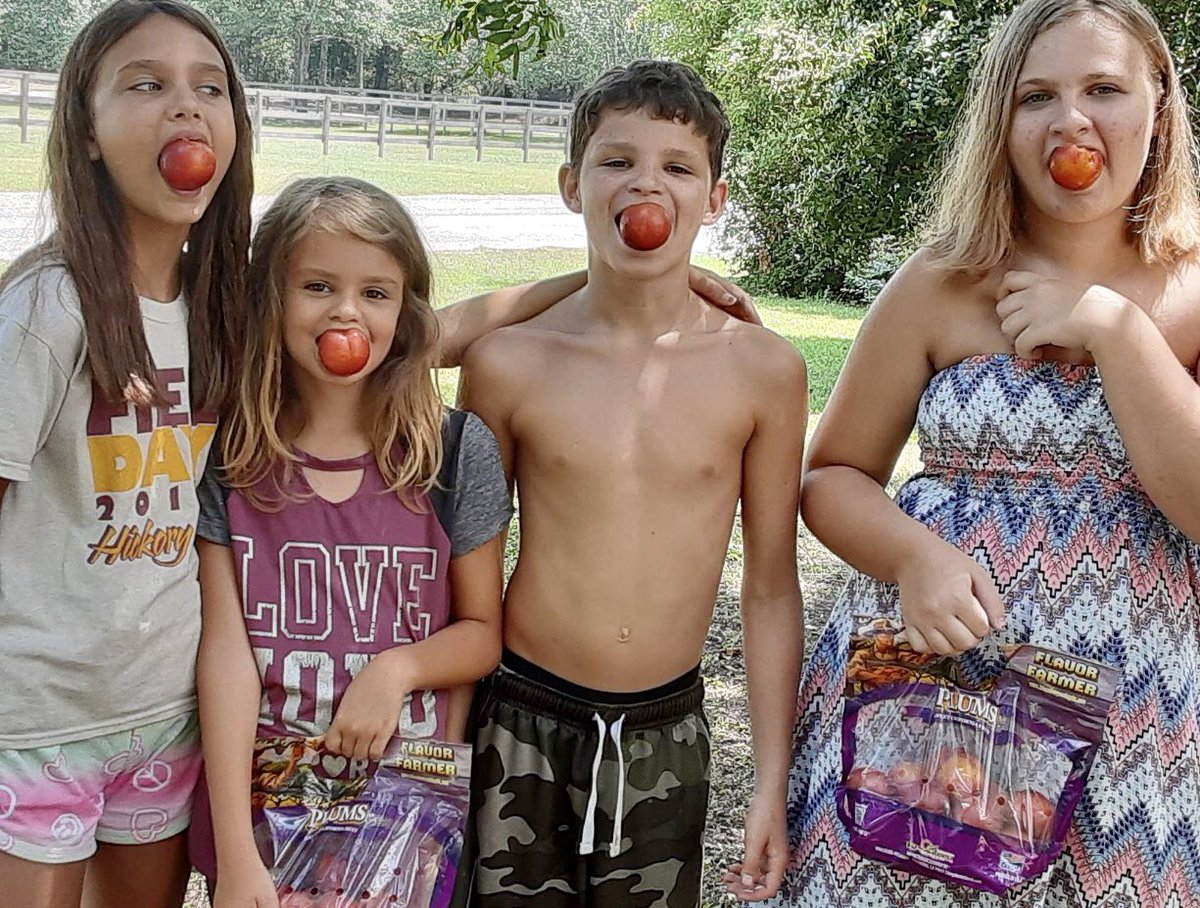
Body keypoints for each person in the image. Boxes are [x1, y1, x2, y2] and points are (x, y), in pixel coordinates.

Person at [771, 0, 1200, 905]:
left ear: (1159, 105)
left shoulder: (1195, 288)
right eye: (1036, 95)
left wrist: (1117, 331)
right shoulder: (940, 281)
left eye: (1104, 89)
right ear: (1002, 122)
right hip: (922, 695)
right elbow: (830, 475)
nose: (1070, 122)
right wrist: (914, 556)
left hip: (1131, 726)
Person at [458, 59, 809, 906]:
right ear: (572, 185)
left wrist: (770, 781)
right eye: (617, 161)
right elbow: (461, 571)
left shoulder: (765, 370)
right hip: (518, 722)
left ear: (715, 198)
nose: (646, 183)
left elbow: (769, 588)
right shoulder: (506, 363)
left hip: (665, 738)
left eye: (678, 167)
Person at [0, 2, 254, 905]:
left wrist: (621, 283)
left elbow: (406, 327)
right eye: (146, 84)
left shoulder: (228, 306)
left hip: (162, 717)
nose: (187, 111)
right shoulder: (49, 307)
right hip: (33, 724)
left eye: (209, 88)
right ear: (90, 132)